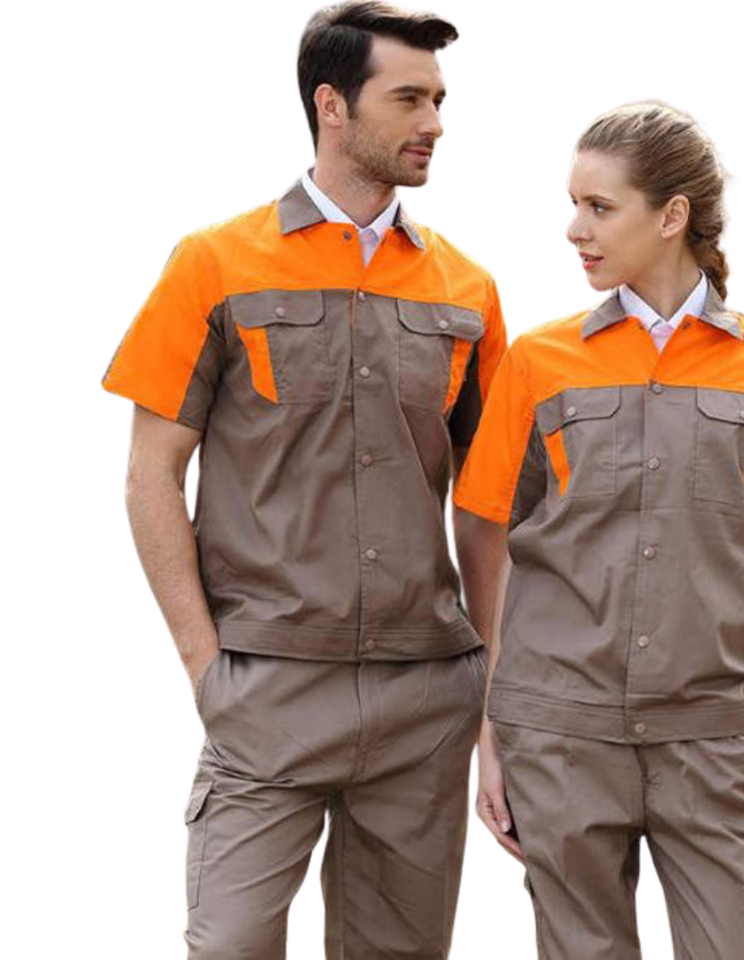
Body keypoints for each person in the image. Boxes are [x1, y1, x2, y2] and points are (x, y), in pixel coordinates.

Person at [101, 3, 507, 957]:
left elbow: (489, 508)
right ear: (332, 105)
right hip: (266, 689)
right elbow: (151, 474)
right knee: (230, 944)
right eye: (408, 99)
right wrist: (206, 667)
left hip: (424, 697)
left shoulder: (468, 289)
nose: (434, 123)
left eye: (439, 100)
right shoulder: (213, 264)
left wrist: (491, 682)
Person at [452, 100, 744, 959]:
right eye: (573, 204)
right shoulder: (538, 362)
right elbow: (497, 548)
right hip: (562, 739)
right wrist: (495, 731)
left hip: (713, 743)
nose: (575, 229)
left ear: (672, 215)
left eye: (599, 207)